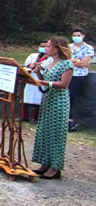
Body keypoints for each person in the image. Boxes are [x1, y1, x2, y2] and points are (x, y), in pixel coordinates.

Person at [31, 36, 74, 179]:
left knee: (56, 134)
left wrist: (46, 83)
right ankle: (46, 162)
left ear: (56, 49)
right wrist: (37, 71)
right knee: (45, 131)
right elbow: (45, 78)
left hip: (59, 102)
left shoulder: (66, 64)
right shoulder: (50, 62)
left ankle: (55, 167)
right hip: (48, 100)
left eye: (49, 46)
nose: (46, 48)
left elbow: (64, 84)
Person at [67, 28, 93, 132]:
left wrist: (73, 61)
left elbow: (85, 64)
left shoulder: (88, 48)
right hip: (68, 73)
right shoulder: (69, 47)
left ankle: (70, 120)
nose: (76, 37)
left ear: (83, 36)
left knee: (71, 96)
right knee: (65, 95)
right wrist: (77, 61)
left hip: (79, 75)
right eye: (74, 35)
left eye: (78, 35)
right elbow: (64, 60)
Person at [23, 41, 52, 122]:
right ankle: (24, 116)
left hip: (42, 78)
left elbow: (43, 67)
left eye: (46, 46)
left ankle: (36, 117)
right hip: (32, 77)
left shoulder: (50, 58)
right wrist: (33, 66)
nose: (44, 48)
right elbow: (27, 64)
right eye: (42, 46)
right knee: (26, 97)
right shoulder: (33, 55)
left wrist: (37, 66)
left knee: (39, 98)